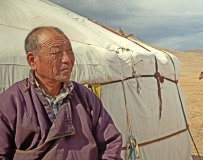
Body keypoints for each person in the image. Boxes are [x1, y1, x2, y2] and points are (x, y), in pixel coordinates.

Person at [0, 26, 123, 160]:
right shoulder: (11, 103)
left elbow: (111, 143)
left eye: (70, 51)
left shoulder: (85, 98)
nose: (67, 59)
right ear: (32, 60)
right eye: (56, 52)